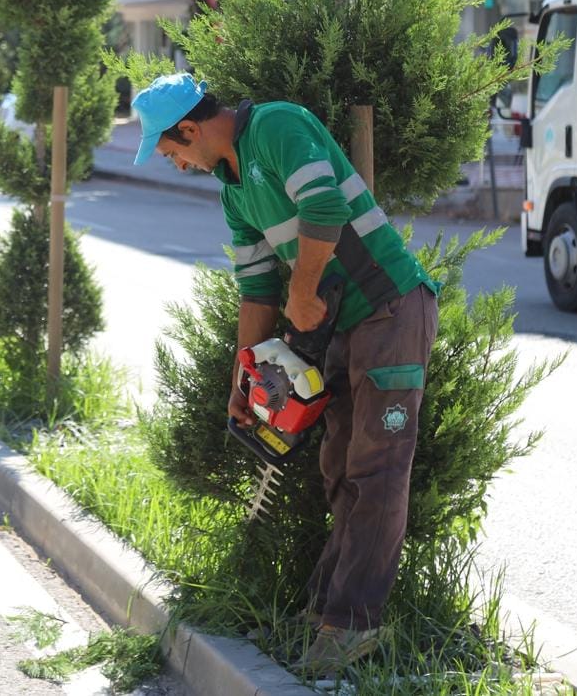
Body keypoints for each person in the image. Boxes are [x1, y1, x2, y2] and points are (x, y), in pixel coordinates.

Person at [131, 73, 439, 676]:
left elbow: (325, 205)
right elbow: (256, 289)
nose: (177, 163)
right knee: (340, 468)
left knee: (375, 472)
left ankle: (353, 627)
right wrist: (244, 378)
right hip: (345, 328)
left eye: (171, 151)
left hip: (391, 309)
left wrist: (302, 294)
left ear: (190, 128)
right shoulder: (232, 191)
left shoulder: (277, 125)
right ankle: (326, 612)